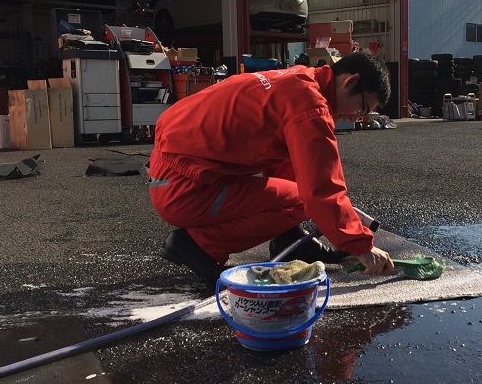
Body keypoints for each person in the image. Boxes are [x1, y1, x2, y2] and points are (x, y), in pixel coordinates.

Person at [148, 50, 395, 284]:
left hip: (176, 171)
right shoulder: (312, 109)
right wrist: (362, 247)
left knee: (296, 184)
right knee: (301, 202)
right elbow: (321, 192)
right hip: (183, 188)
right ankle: (197, 244)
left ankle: (290, 238)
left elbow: (295, 166)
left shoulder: (300, 79)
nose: (356, 117)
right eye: (362, 108)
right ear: (351, 81)